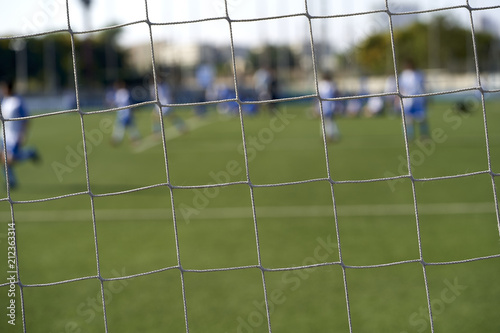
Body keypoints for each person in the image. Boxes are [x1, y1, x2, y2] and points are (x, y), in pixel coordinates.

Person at [0, 80, 39, 189]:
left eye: (3, 88)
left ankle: (30, 153)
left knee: (11, 160)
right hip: (3, 135)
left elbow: (26, 119)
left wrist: (23, 134)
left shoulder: (18, 101)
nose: (2, 90)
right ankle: (11, 182)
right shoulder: (4, 100)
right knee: (4, 158)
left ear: (8, 88)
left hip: (14, 136)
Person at [398, 59, 429, 141]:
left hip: (418, 100)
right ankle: (409, 137)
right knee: (408, 120)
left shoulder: (418, 74)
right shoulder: (403, 75)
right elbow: (400, 88)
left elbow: (423, 86)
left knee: (421, 119)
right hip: (407, 101)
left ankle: (424, 136)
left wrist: (426, 97)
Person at [111, 80, 141, 146]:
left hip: (124, 112)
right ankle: (135, 139)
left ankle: (117, 139)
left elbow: (127, 102)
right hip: (122, 112)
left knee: (120, 125)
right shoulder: (120, 92)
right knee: (130, 126)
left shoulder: (123, 92)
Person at [316, 71, 341, 142]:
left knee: (325, 120)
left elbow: (317, 96)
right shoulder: (332, 84)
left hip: (323, 104)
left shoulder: (321, 84)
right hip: (329, 104)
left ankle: (326, 135)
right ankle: (330, 135)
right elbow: (337, 94)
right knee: (329, 120)